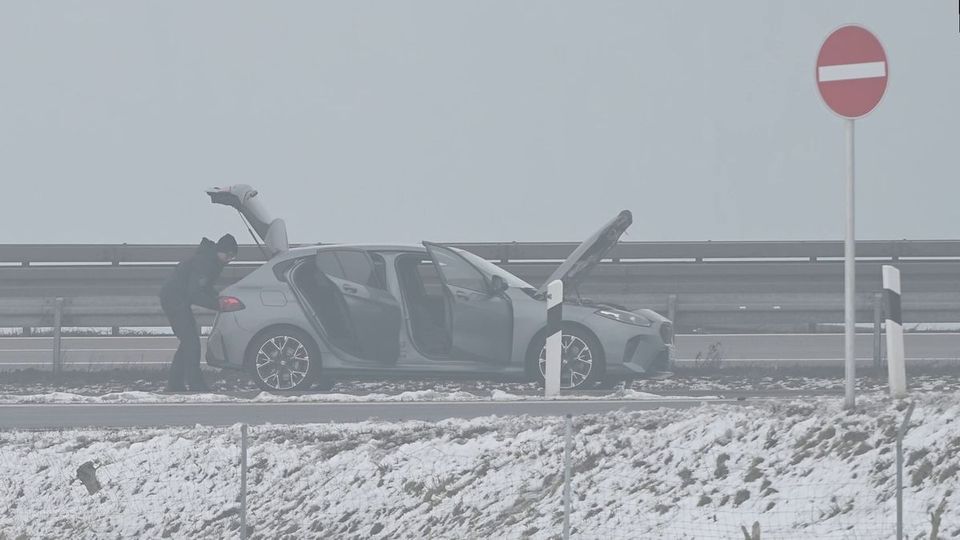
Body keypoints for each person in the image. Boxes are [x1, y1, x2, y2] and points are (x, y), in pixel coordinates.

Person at [159, 234, 238, 392]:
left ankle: (175, 384)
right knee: (192, 343)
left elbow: (205, 287)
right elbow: (195, 293)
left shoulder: (212, 261)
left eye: (233, 257)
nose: (229, 260)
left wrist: (218, 297)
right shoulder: (205, 263)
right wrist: (217, 304)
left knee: (188, 342)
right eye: (228, 255)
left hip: (178, 298)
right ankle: (195, 384)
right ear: (220, 250)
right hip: (174, 300)